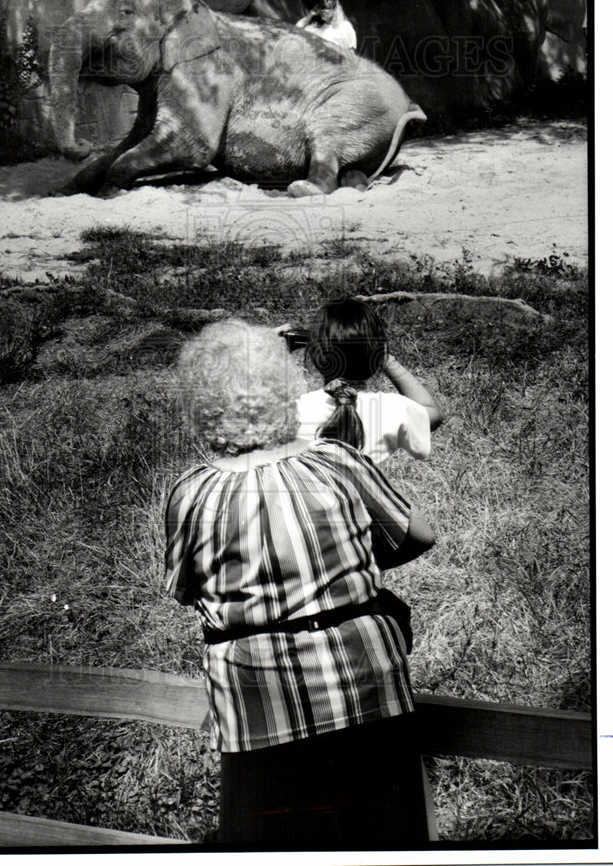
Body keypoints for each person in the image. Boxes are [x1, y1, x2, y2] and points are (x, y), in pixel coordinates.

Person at [165, 319, 435, 848]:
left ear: (198, 405)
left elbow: (185, 590)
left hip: (257, 702)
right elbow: (417, 536)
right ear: (286, 393)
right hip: (365, 685)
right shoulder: (335, 462)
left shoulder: (190, 493)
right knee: (388, 839)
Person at [295, 296, 443, 465]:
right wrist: (387, 360)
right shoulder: (391, 409)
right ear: (377, 357)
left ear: (316, 355)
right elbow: (433, 414)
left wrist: (268, 346)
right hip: (368, 492)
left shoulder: (295, 409)